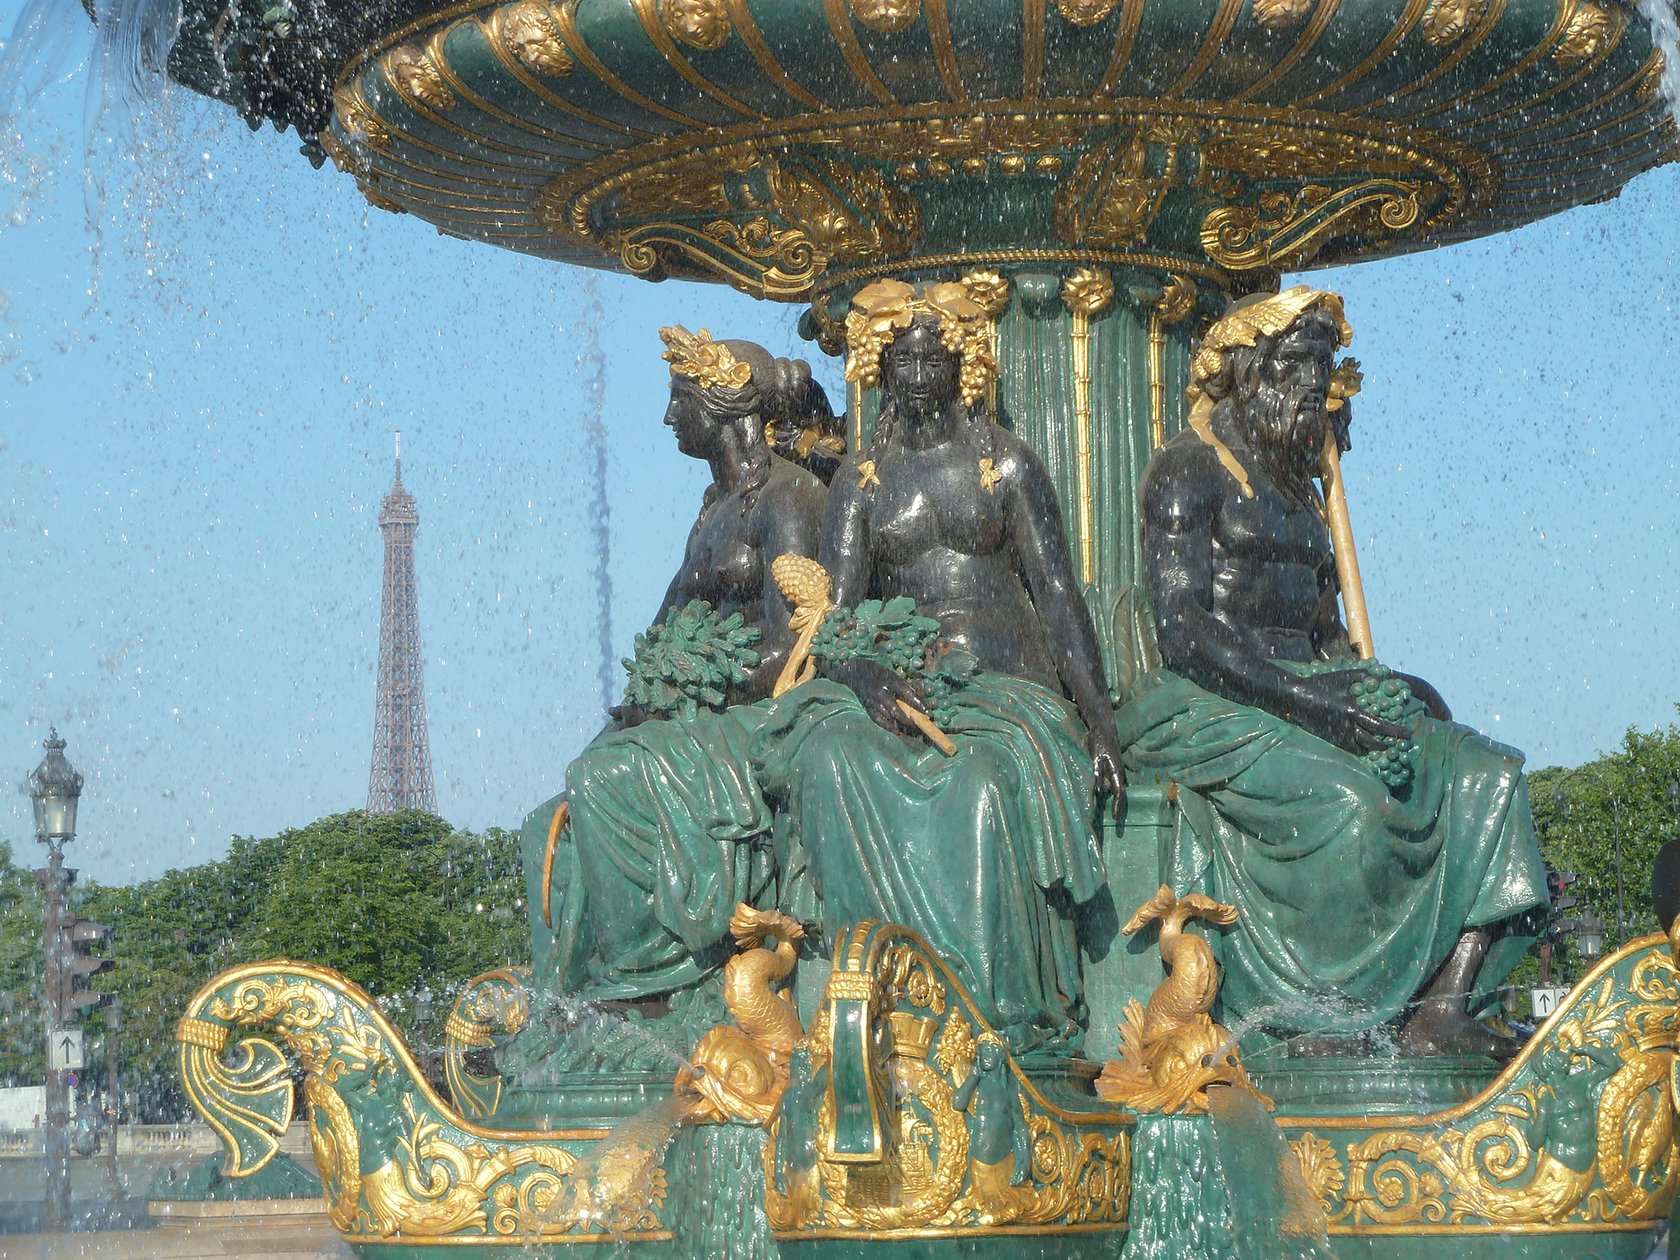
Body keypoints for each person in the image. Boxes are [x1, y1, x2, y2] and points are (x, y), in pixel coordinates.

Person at [1124, 286, 1548, 1058]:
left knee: (1488, 774)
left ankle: (1440, 1009)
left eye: (1322, 370)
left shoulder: (1300, 493)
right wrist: (1317, 709)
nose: (1313, 387)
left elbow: (1329, 637)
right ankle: (1322, 1013)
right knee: (1350, 803)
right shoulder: (1188, 471)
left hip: (1310, 689)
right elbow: (1182, 632)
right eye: (1296, 368)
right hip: (1207, 697)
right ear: (1251, 374)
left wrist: (1387, 686)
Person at [753, 279, 1125, 1056]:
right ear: (881, 372)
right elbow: (839, 616)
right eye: (903, 363)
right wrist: (864, 679)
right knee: (828, 758)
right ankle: (879, 989)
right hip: (901, 687)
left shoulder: (1005, 465)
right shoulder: (858, 482)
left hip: (1003, 685)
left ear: (964, 369)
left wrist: (1099, 722)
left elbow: (1057, 593)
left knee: (981, 785)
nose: (919, 378)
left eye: (934, 362)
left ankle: (998, 1008)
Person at [534, 328, 831, 1007]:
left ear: (725, 405)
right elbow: (667, 624)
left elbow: (796, 645)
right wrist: (653, 689)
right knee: (552, 815)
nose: (670, 417)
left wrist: (689, 689)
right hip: (700, 709)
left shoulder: (790, 497)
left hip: (767, 708)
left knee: (601, 776)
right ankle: (565, 994)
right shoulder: (712, 512)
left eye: (680, 400)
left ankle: (649, 981)